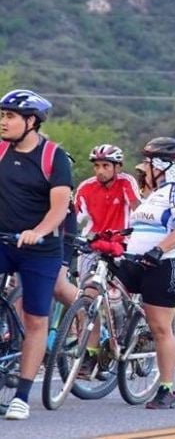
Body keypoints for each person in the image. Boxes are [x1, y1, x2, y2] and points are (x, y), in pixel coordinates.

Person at [0, 89, 72, 420]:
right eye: (2, 115)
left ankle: (22, 395)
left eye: (10, 116)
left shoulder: (53, 157)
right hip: (3, 240)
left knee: (36, 318)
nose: (3, 121)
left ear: (31, 122)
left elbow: (59, 209)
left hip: (39, 250)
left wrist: (38, 232)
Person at [113, 136, 175, 409]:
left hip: (165, 265)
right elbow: (140, 227)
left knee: (160, 327)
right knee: (98, 292)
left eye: (147, 163)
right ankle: (97, 348)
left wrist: (158, 250)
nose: (143, 169)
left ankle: (167, 389)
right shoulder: (153, 195)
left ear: (161, 165)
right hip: (135, 261)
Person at [74, 144, 141, 375]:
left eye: (105, 166)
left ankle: (126, 335)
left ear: (117, 167)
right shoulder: (86, 188)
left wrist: (134, 234)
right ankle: (90, 354)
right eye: (96, 166)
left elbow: (137, 209)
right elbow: (76, 219)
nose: (100, 171)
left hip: (121, 246)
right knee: (87, 299)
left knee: (116, 298)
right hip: (93, 247)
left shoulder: (126, 183)